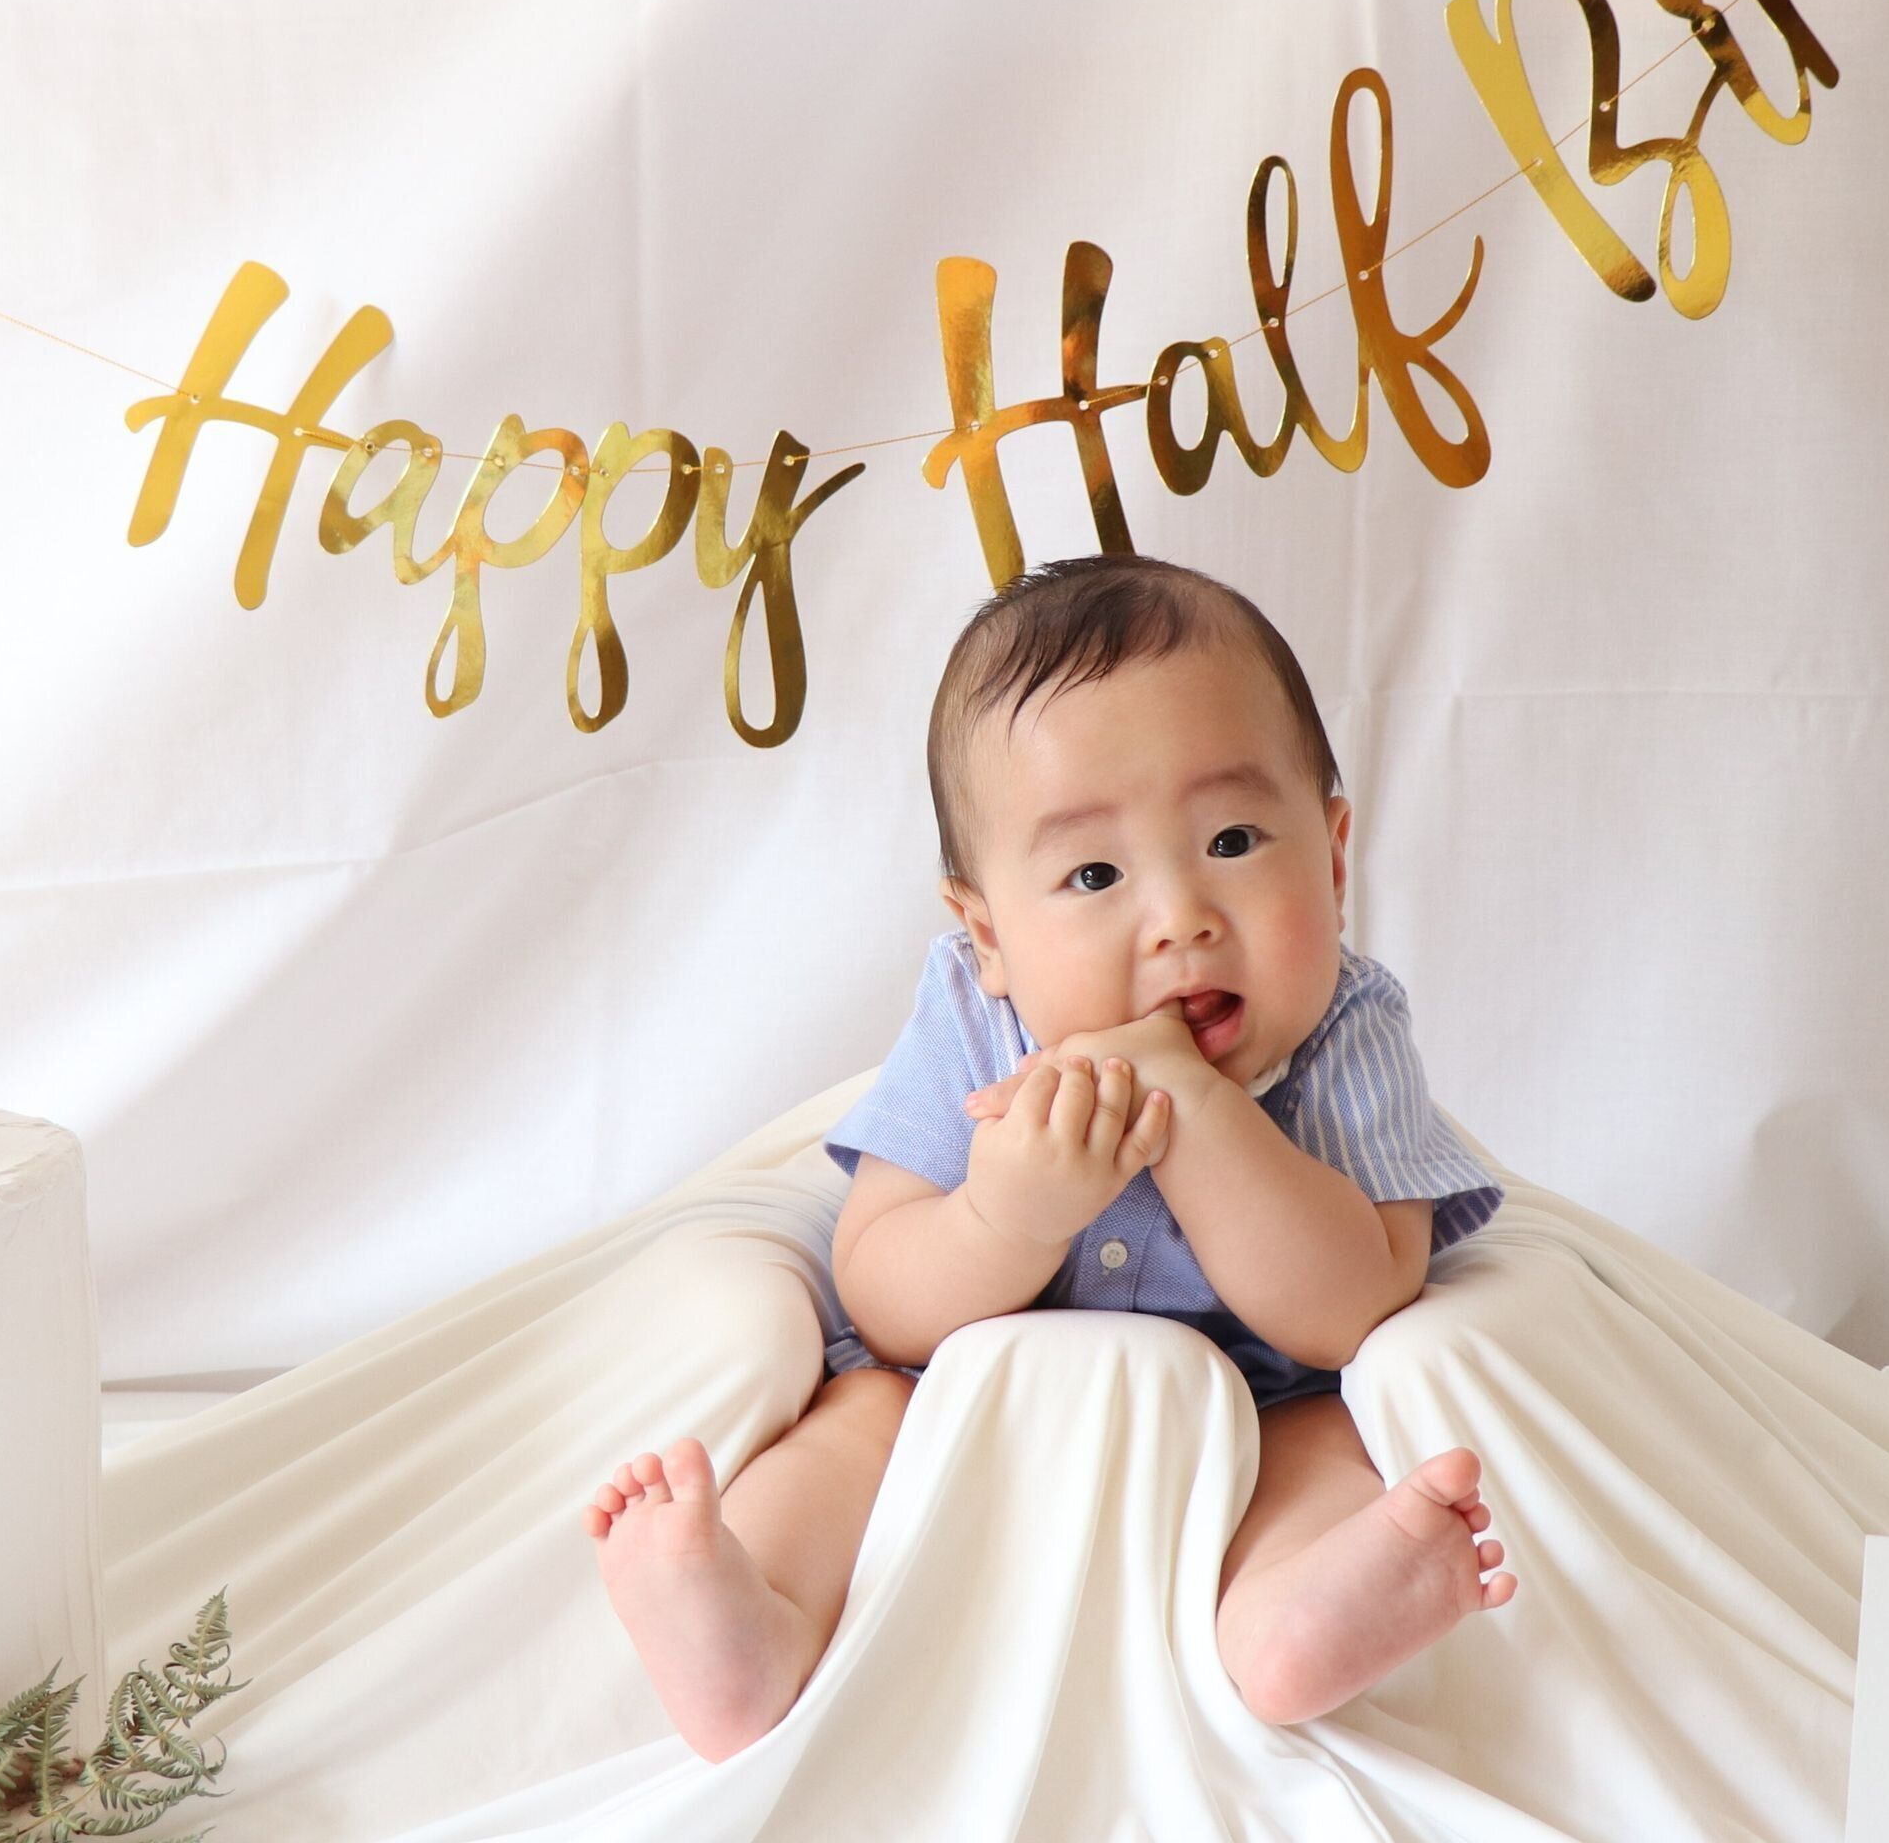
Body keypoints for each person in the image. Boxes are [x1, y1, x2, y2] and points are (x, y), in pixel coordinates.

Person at [584, 551, 1516, 1759]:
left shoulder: (1341, 1024)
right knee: (856, 1416)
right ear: (986, 935)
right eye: (1092, 874)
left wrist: (1199, 1111)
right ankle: (744, 1613)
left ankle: (1294, 1625)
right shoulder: (974, 1021)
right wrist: (1003, 1219)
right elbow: (879, 1290)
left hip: (1260, 1397)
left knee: (1326, 1444)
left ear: (1333, 860)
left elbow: (1356, 1308)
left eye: (1234, 838)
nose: (1180, 916)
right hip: (955, 1397)